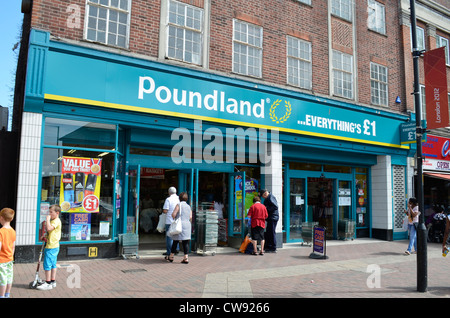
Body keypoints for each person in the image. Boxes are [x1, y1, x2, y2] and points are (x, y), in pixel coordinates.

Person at [37, 204, 62, 290]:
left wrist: (47, 220)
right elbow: (51, 232)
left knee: (47, 264)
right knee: (53, 264)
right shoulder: (54, 220)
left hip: (51, 246)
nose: (49, 214)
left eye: (51, 212)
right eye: (49, 212)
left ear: (57, 213)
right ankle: (52, 281)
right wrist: (45, 237)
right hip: (53, 245)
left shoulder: (55, 221)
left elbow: (49, 228)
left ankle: (48, 283)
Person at [167, 192, 192, 264]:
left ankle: (171, 256)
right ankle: (186, 258)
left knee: (175, 241)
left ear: (179, 198)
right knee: (185, 242)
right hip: (187, 225)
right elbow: (190, 217)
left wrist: (174, 217)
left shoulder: (178, 205)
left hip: (179, 225)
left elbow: (173, 214)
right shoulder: (188, 206)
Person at [0, 208, 16, 298]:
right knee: (9, 277)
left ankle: (1, 296)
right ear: (11, 219)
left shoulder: (1, 232)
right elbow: (13, 246)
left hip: (1, 260)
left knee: (2, 279)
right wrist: (11, 256)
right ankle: (7, 294)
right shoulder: (13, 231)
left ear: (1, 218)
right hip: (10, 259)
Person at [163, 186, 180, 260]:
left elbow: (165, 210)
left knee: (169, 237)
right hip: (177, 221)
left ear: (169, 192)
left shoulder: (168, 199)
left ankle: (169, 252)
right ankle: (176, 249)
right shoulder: (179, 198)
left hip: (169, 221)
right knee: (176, 235)